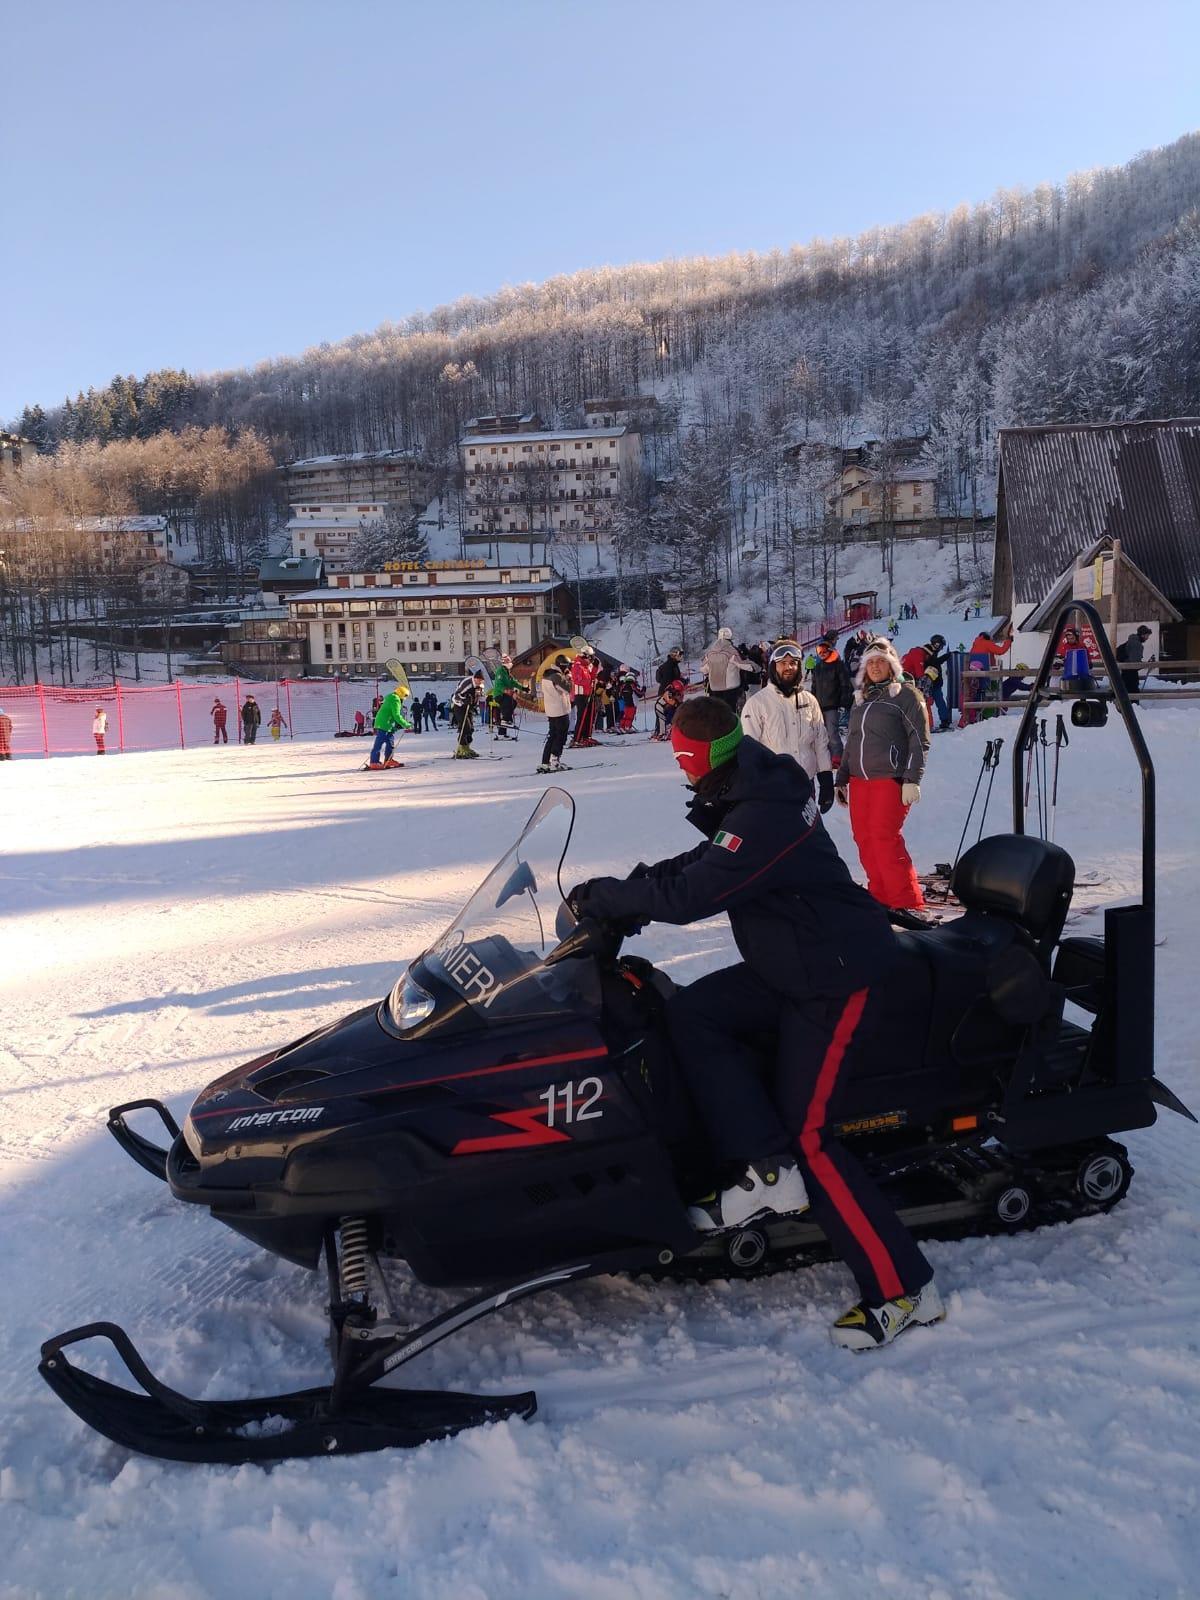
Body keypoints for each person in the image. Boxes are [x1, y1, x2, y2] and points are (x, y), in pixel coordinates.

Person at [569, 696, 941, 1351]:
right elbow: (700, 865)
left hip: (835, 977)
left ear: (699, 758)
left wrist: (615, 896)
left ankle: (905, 1291)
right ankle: (762, 1170)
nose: (679, 768)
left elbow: (693, 894)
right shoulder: (750, 780)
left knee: (814, 1139)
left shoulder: (762, 812)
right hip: (791, 967)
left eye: (681, 758)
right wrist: (625, 892)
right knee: (692, 1012)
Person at [835, 639, 929, 912]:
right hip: (859, 781)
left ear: (892, 665)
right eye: (871, 662)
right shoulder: (861, 700)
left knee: (884, 839)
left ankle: (906, 901)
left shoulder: (906, 696)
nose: (875, 666)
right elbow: (852, 742)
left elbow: (919, 741)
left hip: (890, 780)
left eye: (880, 661)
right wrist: (842, 779)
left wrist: (912, 779)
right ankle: (881, 895)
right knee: (863, 839)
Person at [740, 641, 834, 811]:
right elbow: (749, 751)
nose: (788, 667)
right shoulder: (757, 704)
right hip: (773, 789)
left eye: (793, 663)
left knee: (808, 835)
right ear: (773, 667)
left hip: (806, 783)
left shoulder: (809, 700)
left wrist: (826, 779)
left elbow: (820, 742)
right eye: (783, 663)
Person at [807, 630, 853, 766]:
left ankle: (838, 756)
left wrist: (844, 702)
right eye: (819, 650)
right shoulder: (818, 667)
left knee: (832, 732)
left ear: (830, 650)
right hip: (820, 705)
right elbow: (814, 686)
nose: (821, 653)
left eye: (824, 650)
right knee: (822, 732)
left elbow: (845, 684)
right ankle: (826, 755)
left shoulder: (838, 665)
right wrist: (812, 702)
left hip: (833, 704)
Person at [902, 636, 953, 732]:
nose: (941, 649)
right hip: (926, 683)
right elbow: (927, 668)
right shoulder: (925, 654)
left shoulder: (925, 652)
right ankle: (930, 724)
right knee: (927, 702)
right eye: (941, 646)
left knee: (934, 701)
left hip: (928, 682)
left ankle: (939, 721)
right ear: (937, 644)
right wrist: (946, 656)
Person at [964, 630, 1010, 724]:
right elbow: (1001, 651)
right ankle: (988, 715)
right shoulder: (987, 643)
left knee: (979, 693)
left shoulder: (975, 644)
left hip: (976, 676)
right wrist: (1008, 641)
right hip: (988, 674)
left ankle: (977, 714)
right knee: (993, 692)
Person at [701, 627, 752, 712]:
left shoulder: (710, 652)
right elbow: (743, 665)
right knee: (731, 713)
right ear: (730, 638)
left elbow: (703, 669)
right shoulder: (733, 650)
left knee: (716, 713)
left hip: (714, 689)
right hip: (732, 689)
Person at [538, 655, 573, 772]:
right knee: (560, 737)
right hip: (560, 710)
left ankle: (545, 762)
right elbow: (568, 688)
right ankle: (555, 761)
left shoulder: (547, 675)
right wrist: (568, 677)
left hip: (551, 711)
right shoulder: (557, 676)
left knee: (552, 736)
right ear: (563, 666)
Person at [368, 684, 411, 769]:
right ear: (401, 695)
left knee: (390, 742)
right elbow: (397, 715)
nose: (403, 700)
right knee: (379, 743)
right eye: (403, 697)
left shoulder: (391, 697)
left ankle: (388, 760)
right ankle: (374, 762)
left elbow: (392, 714)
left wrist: (395, 726)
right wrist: (406, 724)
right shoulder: (395, 700)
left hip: (386, 724)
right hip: (384, 724)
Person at [451, 669, 486, 758]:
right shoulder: (467, 683)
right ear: (475, 678)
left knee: (471, 729)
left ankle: (466, 747)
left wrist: (486, 699)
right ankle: (461, 748)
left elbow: (480, 696)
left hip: (469, 707)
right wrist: (464, 700)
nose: (480, 683)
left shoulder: (480, 686)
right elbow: (455, 697)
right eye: (478, 681)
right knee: (465, 727)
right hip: (459, 706)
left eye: (481, 681)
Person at [569, 647, 600, 748]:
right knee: (582, 717)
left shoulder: (585, 666)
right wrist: (590, 682)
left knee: (589, 716)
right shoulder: (577, 665)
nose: (591, 660)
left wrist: (595, 668)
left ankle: (587, 736)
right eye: (591, 658)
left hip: (588, 693)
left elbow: (591, 677)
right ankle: (577, 739)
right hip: (581, 694)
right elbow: (578, 680)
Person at [1116, 625, 1153, 694]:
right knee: (1133, 692)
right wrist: (1146, 664)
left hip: (1125, 672)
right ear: (1142, 635)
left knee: (1125, 691)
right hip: (1130, 674)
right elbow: (1135, 664)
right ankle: (1133, 703)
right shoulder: (1137, 644)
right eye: (1147, 635)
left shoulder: (1131, 641)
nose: (1147, 638)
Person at [491, 654, 520, 738]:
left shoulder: (507, 672)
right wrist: (506, 690)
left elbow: (514, 682)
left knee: (511, 705)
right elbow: (499, 684)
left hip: (505, 694)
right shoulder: (500, 671)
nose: (510, 664)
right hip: (499, 694)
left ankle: (503, 731)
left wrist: (523, 688)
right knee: (509, 704)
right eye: (509, 662)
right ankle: (505, 722)